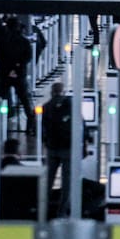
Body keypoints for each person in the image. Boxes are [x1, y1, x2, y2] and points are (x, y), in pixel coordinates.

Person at [0, 16, 36, 136]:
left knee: (1, 98)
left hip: (5, 74)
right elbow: (28, 57)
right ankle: (31, 126)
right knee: (25, 100)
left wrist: (9, 70)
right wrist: (17, 68)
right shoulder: (24, 41)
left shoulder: (2, 40)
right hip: (19, 75)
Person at [42, 82, 73, 217]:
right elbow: (81, 124)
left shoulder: (46, 106)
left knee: (48, 179)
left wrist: (46, 142)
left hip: (52, 148)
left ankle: (43, 209)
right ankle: (62, 211)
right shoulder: (71, 105)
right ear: (63, 91)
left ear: (52, 92)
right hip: (68, 148)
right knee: (67, 181)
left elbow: (41, 128)